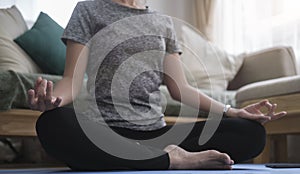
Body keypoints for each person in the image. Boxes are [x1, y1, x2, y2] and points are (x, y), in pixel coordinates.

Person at [28, 0, 287, 171]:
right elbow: (71, 82)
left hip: (157, 134)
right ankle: (172, 159)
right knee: (52, 123)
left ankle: (146, 156)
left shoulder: (163, 22)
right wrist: (51, 102)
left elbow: (180, 89)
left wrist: (233, 111)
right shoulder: (88, 10)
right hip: (104, 133)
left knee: (250, 133)